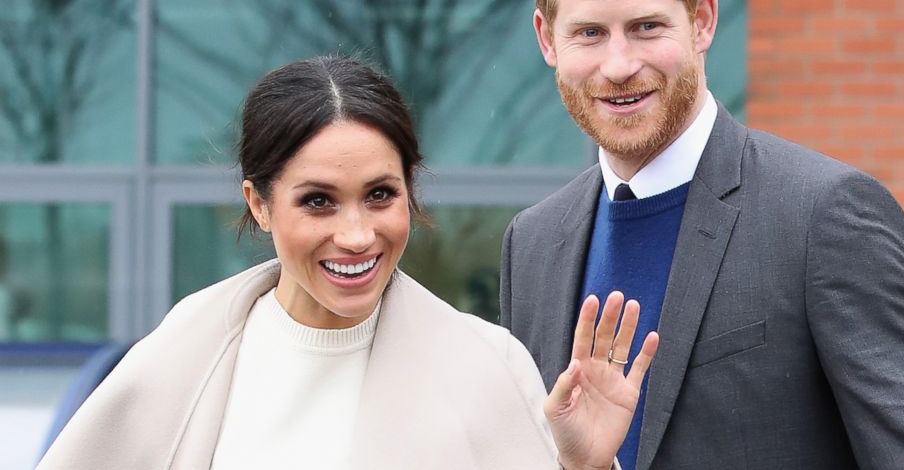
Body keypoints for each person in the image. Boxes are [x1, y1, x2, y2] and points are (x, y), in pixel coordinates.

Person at [499, 0, 904, 469]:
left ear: (702, 21)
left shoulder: (822, 216)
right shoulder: (530, 245)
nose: (619, 65)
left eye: (647, 27)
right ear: (546, 39)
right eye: (589, 33)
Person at [37, 54, 659, 470]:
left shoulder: (490, 370)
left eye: (380, 195)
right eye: (318, 202)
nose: (357, 234)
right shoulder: (176, 361)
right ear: (258, 203)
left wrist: (584, 468)